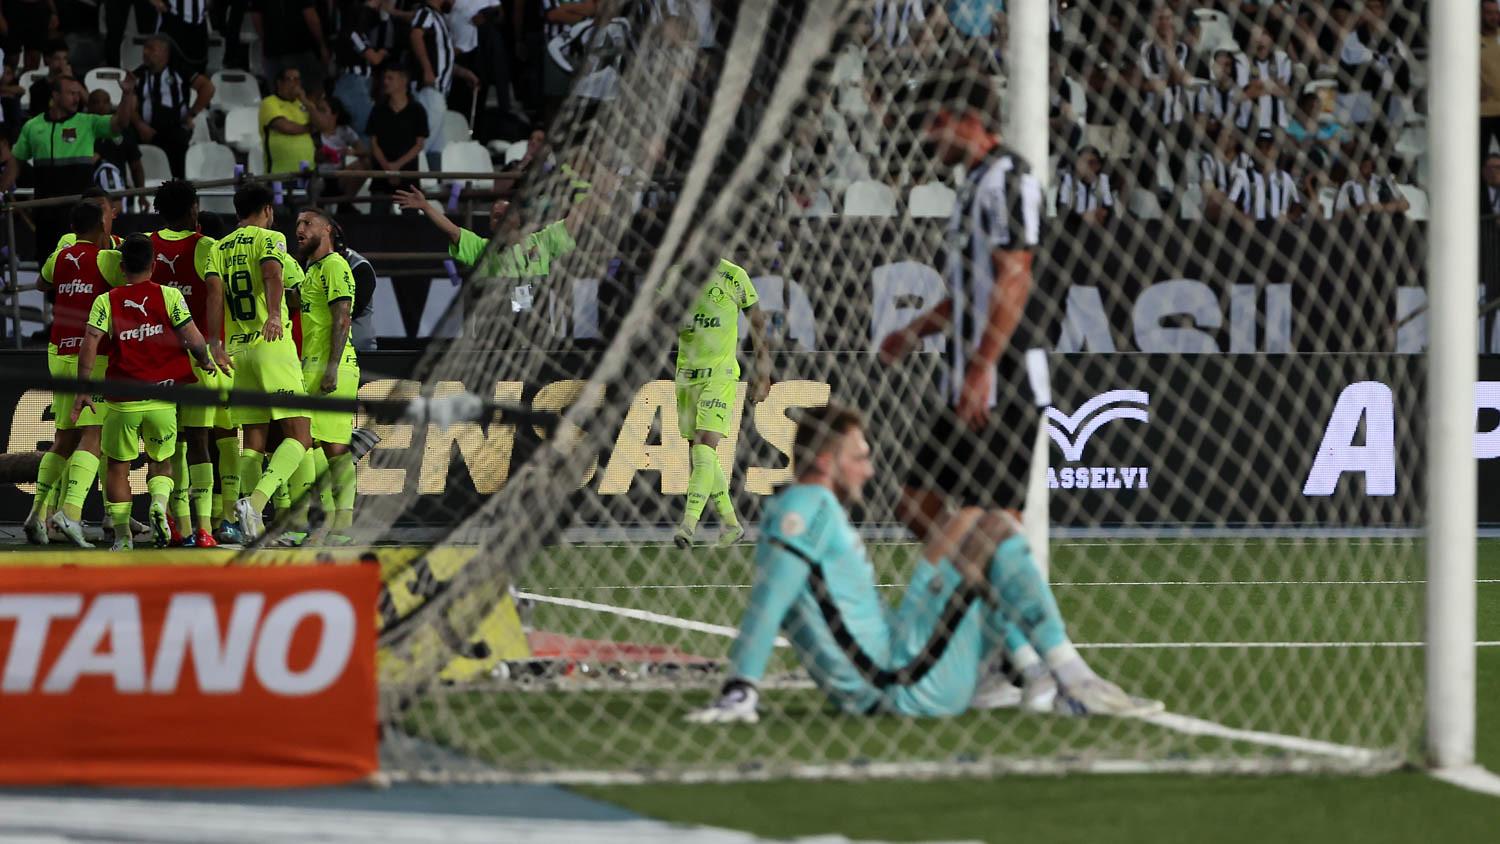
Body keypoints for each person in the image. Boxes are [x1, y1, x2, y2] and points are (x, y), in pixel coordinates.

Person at [686, 404, 1163, 724]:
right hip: (896, 682)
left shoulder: (805, 505)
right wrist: (741, 686)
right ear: (829, 461)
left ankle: (1033, 672)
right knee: (996, 531)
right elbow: (771, 599)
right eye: (861, 458)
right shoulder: (805, 509)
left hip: (897, 652)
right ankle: (1067, 679)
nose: (870, 471)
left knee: (972, 520)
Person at [877, 74, 1094, 712]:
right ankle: (1019, 661)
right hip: (968, 377)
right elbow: (970, 289)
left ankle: (1020, 667)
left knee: (990, 527)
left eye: (934, 123)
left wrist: (982, 367)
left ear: (967, 119)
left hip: (1000, 384)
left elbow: (1015, 277)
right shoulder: (973, 184)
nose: (927, 137)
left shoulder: (1011, 179)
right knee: (920, 506)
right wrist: (918, 330)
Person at [71, 234, 221, 550]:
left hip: (123, 401)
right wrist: (205, 360)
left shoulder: (106, 300)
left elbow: (90, 342)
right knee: (162, 461)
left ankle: (124, 535)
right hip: (163, 399)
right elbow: (191, 336)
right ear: (154, 265)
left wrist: (83, 389)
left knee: (117, 466)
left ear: (122, 266)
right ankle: (158, 501)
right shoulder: (169, 296)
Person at [204, 183, 314, 541]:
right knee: (300, 435)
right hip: (271, 345)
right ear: (267, 208)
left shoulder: (218, 247)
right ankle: (256, 502)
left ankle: (253, 527)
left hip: (237, 350)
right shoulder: (270, 238)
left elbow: (214, 294)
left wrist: (216, 343)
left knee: (252, 439)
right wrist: (272, 316)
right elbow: (272, 274)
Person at [28, 200, 130, 547]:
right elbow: (133, 280)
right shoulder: (104, 259)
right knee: (94, 437)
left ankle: (36, 514)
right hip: (92, 355)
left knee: (64, 438)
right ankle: (70, 513)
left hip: (58, 353)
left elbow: (42, 285)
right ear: (101, 226)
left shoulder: (61, 256)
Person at [280, 207, 360, 546]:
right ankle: (319, 524)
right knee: (308, 446)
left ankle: (341, 527)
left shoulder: (336, 266)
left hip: (333, 366)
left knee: (334, 448)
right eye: (297, 223)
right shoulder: (313, 270)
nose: (299, 228)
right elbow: (295, 300)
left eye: (307, 223)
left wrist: (331, 368)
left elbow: (343, 318)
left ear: (327, 229)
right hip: (310, 365)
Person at [150, 179, 221, 547]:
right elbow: (213, 292)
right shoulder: (207, 246)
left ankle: (180, 526)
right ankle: (205, 528)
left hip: (158, 361)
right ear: (194, 208)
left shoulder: (145, 244)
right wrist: (213, 342)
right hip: (198, 360)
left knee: (169, 443)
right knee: (199, 441)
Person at [13, 73, 136, 260]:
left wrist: (127, 94)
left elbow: (121, 122)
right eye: (71, 93)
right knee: (49, 269)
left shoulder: (88, 122)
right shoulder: (32, 126)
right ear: (55, 95)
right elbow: (16, 162)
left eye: (78, 93)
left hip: (79, 215)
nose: (76, 98)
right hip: (45, 213)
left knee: (84, 266)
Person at [131, 33, 215, 179]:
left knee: (177, 141)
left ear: (165, 52)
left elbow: (208, 88)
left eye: (151, 49)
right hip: (145, 129)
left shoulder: (180, 71)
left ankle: (179, 185)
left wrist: (191, 114)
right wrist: (139, 125)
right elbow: (130, 104)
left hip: (173, 128)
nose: (145, 52)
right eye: (145, 48)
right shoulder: (138, 75)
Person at [365, 63, 428, 210]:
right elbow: (373, 143)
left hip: (408, 176)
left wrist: (397, 167)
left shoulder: (417, 110)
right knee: (377, 219)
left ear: (403, 81)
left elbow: (419, 144)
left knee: (410, 221)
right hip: (381, 175)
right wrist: (387, 168)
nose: (385, 82)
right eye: (384, 78)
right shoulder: (378, 110)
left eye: (390, 78)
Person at [410, 0, 459, 165]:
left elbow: (442, 57)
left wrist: (463, 73)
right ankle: (410, 176)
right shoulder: (426, 13)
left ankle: (432, 182)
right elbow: (416, 35)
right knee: (425, 138)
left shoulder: (438, 18)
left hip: (439, 89)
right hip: (430, 90)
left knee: (436, 145)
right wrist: (427, 70)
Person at [259, 67, 317, 178]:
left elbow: (323, 125)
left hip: (308, 172)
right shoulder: (269, 102)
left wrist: (305, 101)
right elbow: (286, 127)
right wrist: (310, 128)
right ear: (279, 83)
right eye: (291, 79)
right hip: (280, 174)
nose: (295, 84)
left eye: (298, 79)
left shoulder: (303, 104)